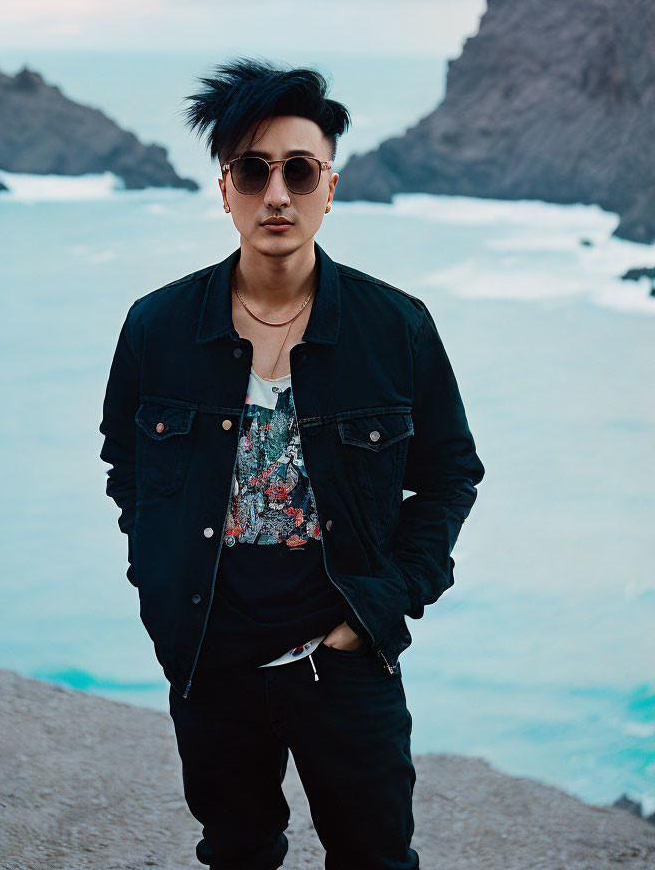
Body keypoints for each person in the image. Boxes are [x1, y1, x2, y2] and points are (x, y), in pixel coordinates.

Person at [99, 58, 485, 870]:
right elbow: (126, 465)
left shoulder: (397, 328)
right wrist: (158, 579)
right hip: (211, 657)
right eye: (253, 170)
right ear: (227, 190)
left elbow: (451, 473)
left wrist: (385, 603)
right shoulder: (157, 327)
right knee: (237, 854)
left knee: (375, 858)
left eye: (299, 171)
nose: (278, 193)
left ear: (329, 188)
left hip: (345, 656)